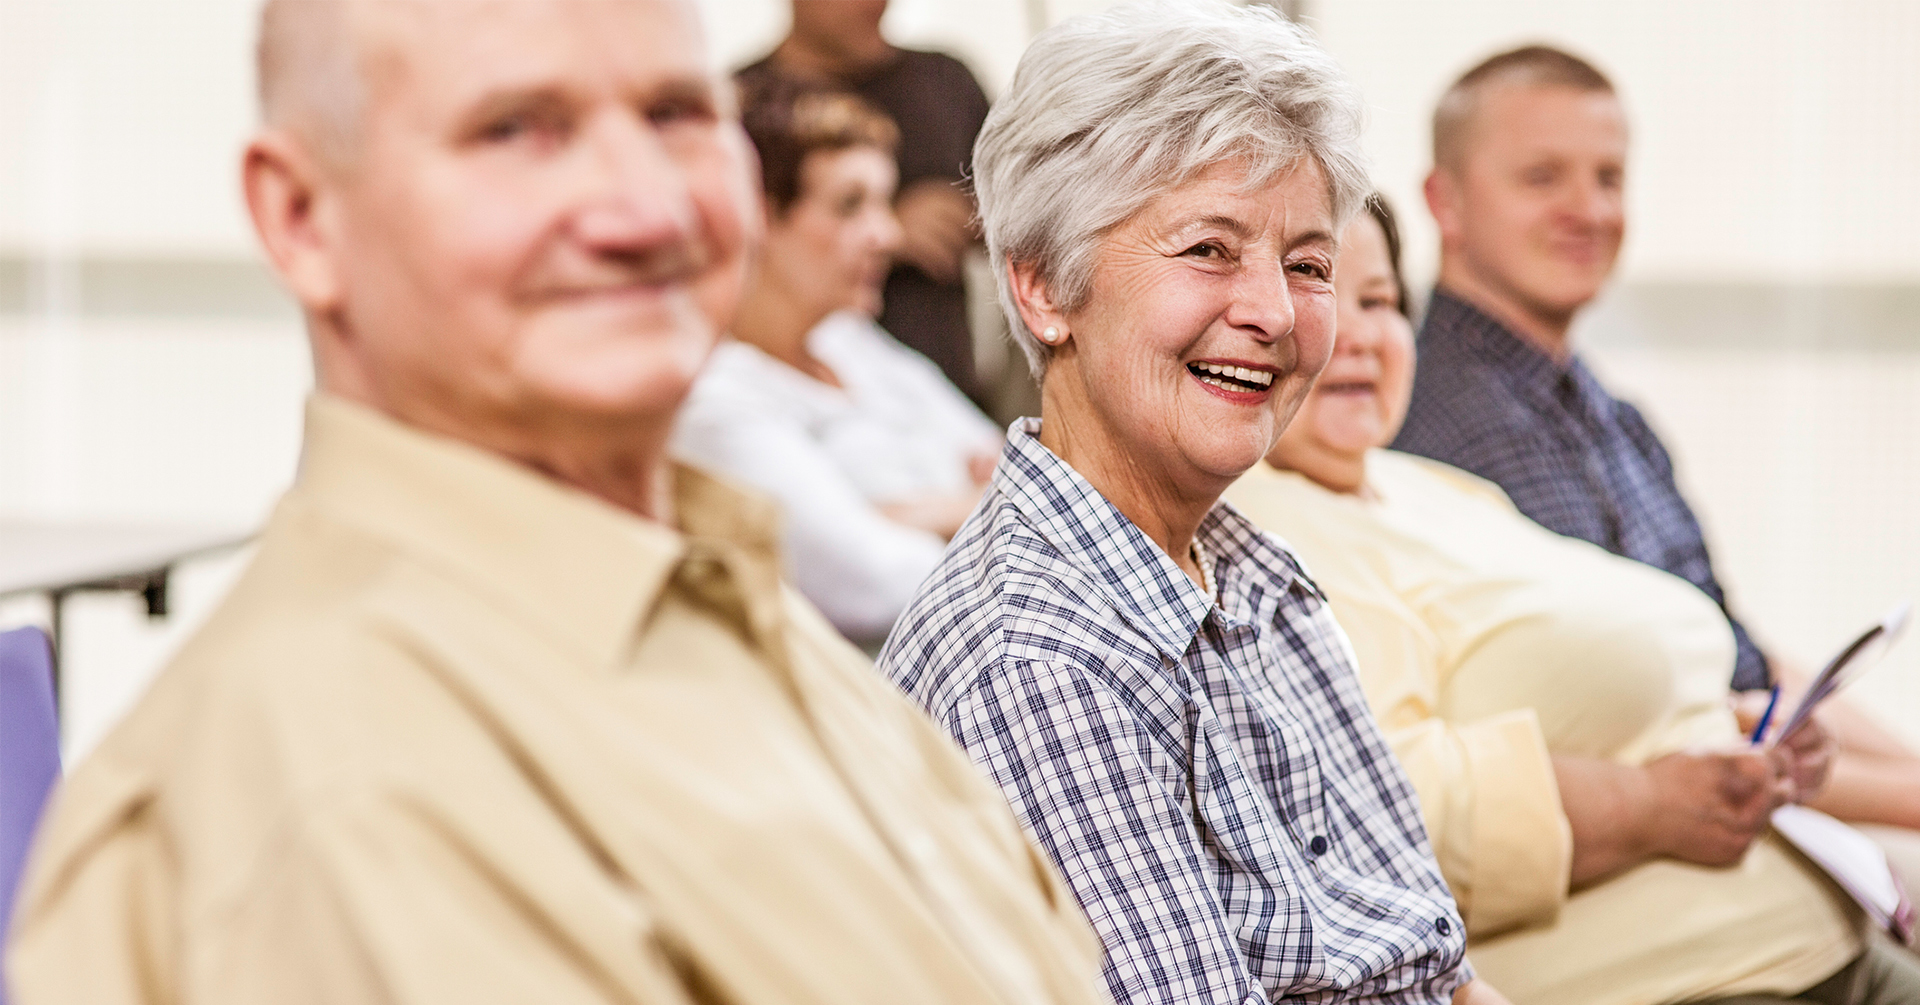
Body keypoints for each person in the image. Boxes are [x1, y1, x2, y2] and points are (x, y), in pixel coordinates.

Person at [2, 4, 1116, 1003]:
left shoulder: (722, 608)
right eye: (517, 131)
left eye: (678, 114)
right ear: (301, 217)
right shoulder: (340, 787)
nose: (644, 207)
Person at [878, 6, 1504, 1003]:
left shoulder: (1251, 577)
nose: (1272, 312)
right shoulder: (1038, 659)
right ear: (1043, 287)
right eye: (1210, 250)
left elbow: (1441, 971)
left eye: (1307, 264)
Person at [1229, 194, 1920, 1005]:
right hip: (1694, 980)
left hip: (1816, 937)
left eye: (1378, 301)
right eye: (1316, 289)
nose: (1359, 334)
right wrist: (1648, 806)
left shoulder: (1432, 488)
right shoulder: (1265, 529)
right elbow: (1378, 803)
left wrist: (1746, 740)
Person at [1389, 43, 1920, 874]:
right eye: (1542, 177)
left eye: (1609, 177)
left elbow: (1739, 651)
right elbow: (1674, 723)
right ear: (1443, 202)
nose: (1588, 209)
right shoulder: (1453, 427)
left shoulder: (1609, 413)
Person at [672, 82, 999, 647]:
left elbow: (1018, 464)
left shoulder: (850, 343)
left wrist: (906, 513)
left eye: (884, 203)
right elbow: (874, 584)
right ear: (759, 218)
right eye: (851, 205)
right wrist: (982, 504)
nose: (888, 235)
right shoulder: (712, 402)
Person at [739, 0, 991, 401]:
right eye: (850, 203)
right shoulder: (741, 105)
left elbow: (1023, 221)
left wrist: (977, 217)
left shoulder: (944, 82)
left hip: (945, 382)